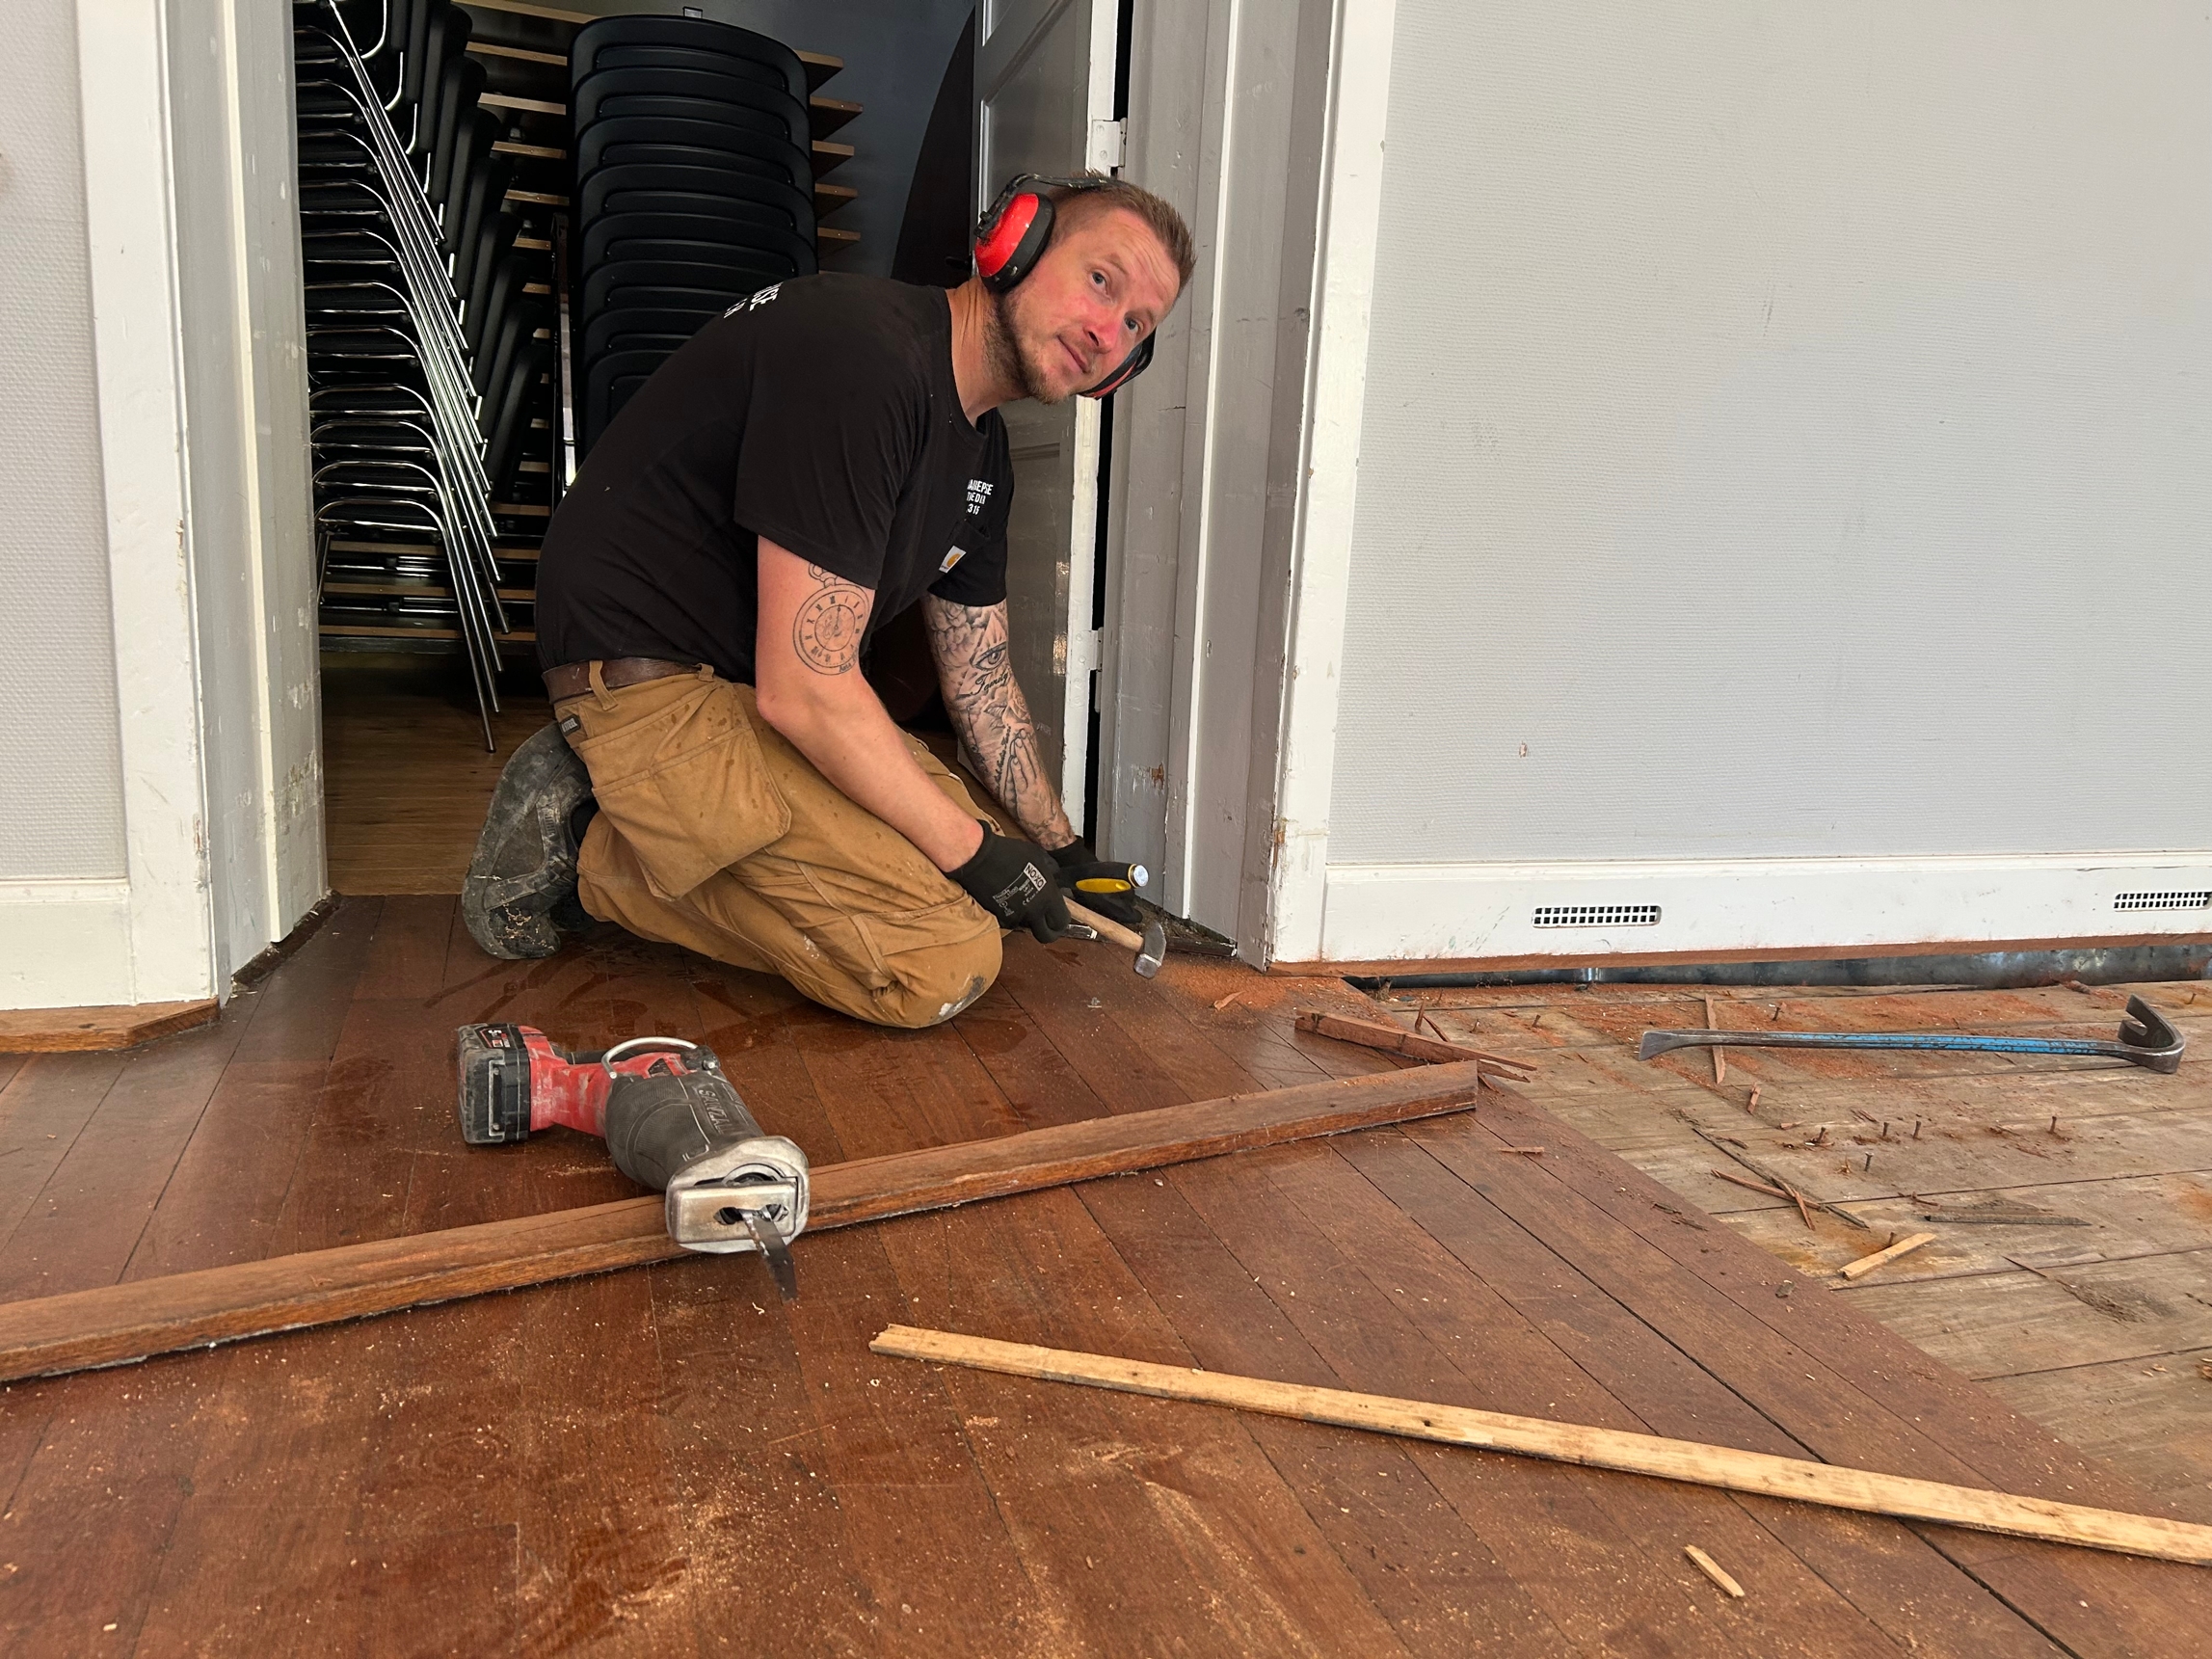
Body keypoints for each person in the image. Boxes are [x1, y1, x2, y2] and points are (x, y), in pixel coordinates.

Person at [461, 174, 1193, 1029]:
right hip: (643, 673)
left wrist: (1060, 851)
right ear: (1013, 242)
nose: (1109, 331)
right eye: (1101, 280)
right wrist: (975, 855)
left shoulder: (984, 463)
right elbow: (806, 690)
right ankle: (586, 835)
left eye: (1138, 324)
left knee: (969, 866)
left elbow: (980, 677)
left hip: (751, 697)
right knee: (939, 960)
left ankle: (665, 817)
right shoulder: (862, 355)